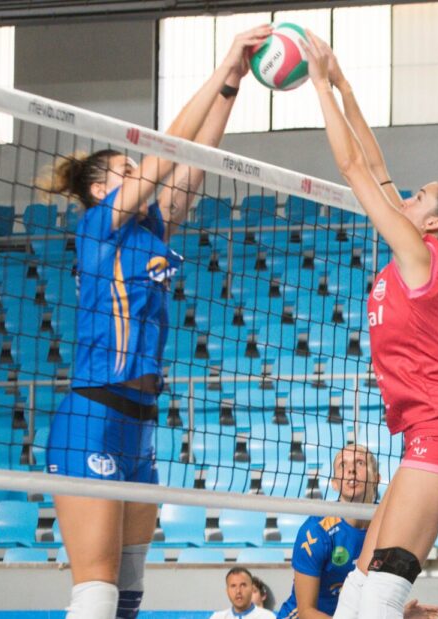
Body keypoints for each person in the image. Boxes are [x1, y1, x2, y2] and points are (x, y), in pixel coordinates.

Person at [41, 24, 273, 619]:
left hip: (140, 424)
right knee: (95, 587)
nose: (141, 172)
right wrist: (219, 65)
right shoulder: (99, 225)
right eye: (126, 167)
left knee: (131, 588)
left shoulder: (152, 230)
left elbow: (193, 161)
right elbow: (168, 150)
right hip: (91, 416)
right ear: (100, 189)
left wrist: (232, 88)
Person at [301, 34, 438, 619]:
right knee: (356, 589)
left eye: (418, 194)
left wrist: (315, 83)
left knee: (381, 595)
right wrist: (345, 84)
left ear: (431, 223)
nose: (405, 194)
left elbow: (353, 169)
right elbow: (374, 165)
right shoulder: (417, 255)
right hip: (423, 436)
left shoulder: (421, 257)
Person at [277, 446, 438, 619]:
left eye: (360, 462)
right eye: (343, 465)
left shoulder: (390, 526)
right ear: (334, 484)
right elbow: (306, 612)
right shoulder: (316, 532)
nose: (351, 470)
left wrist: (400, 614)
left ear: (376, 478)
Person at [210, 567, 276, 619]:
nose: (238, 591)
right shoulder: (217, 617)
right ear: (227, 591)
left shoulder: (268, 617)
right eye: (233, 586)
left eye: (243, 585)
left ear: (251, 589)